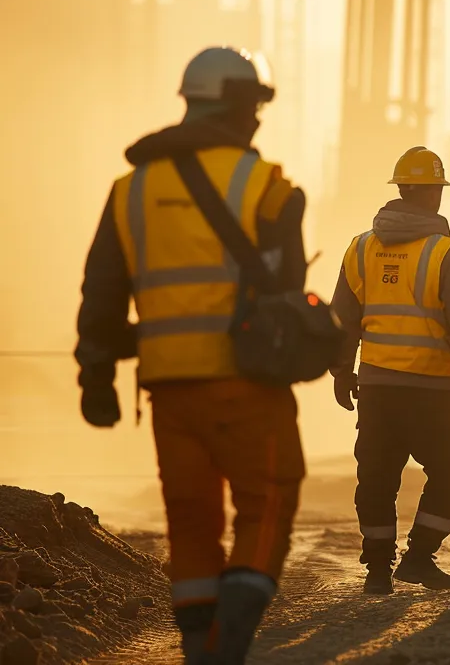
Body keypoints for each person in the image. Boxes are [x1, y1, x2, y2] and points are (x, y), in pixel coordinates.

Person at [77, 46, 304, 664]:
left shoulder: (131, 190)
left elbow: (102, 292)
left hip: (169, 390)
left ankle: (199, 649)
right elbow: (284, 300)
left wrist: (95, 376)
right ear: (235, 104)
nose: (259, 118)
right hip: (245, 381)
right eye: (254, 105)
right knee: (271, 496)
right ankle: (232, 633)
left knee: (192, 518)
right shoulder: (267, 187)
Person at [328, 146, 450, 595]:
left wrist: (341, 372)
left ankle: (377, 570)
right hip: (434, 391)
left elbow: (342, 320)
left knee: (375, 479)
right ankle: (418, 557)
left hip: (376, 389)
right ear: (434, 194)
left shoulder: (360, 249)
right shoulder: (445, 254)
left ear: (399, 190)